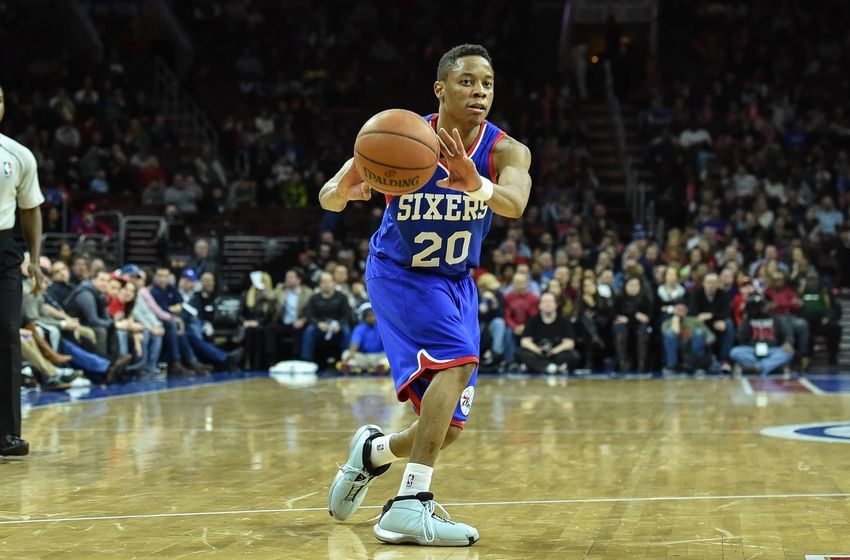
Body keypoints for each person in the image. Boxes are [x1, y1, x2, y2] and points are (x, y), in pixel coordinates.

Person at [322, 44, 531, 546]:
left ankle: (373, 453)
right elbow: (328, 196)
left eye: (487, 83)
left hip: (456, 282)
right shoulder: (402, 135)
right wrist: (346, 191)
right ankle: (409, 504)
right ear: (441, 89)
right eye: (467, 82)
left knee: (448, 427)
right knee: (456, 364)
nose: (479, 92)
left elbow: (515, 204)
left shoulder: (506, 151)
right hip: (400, 274)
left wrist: (477, 184)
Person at [1, 84, 46, 456]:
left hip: (4, 252)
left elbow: (30, 209)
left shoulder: (17, 154)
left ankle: (7, 434)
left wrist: (35, 259)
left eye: (0, 99)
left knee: (7, 336)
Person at [515, 292, 579, 374]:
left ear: (556, 305)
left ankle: (540, 367)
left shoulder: (564, 321)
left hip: (556, 354)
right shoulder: (532, 321)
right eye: (545, 301)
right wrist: (538, 351)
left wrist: (554, 351)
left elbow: (569, 343)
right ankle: (551, 368)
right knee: (519, 352)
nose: (548, 304)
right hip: (537, 354)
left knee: (573, 355)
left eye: (550, 301)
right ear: (539, 305)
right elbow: (525, 341)